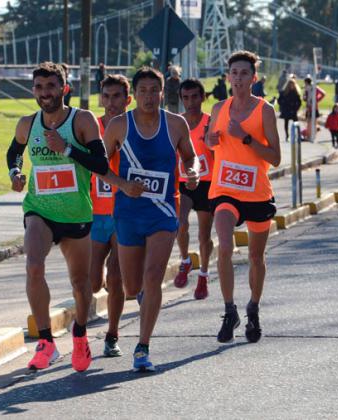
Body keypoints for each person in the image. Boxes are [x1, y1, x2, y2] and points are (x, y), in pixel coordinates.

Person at [6, 61, 141, 372]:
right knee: (34, 265)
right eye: (39, 87)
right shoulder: (28, 123)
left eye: (51, 86)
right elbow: (13, 152)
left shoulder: (81, 120)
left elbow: (99, 161)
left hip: (77, 212)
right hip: (39, 208)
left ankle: (80, 335)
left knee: (82, 284)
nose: (44, 93)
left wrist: (66, 148)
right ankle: (46, 342)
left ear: (64, 88)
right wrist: (15, 171)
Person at [101, 66, 199, 372]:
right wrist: (123, 185)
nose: (148, 97)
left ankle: (142, 347)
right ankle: (143, 295)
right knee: (132, 286)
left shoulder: (175, 124)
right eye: (142, 91)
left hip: (164, 211)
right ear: (135, 95)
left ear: (161, 93)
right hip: (128, 213)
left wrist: (192, 171)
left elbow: (189, 156)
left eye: (153, 91)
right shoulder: (118, 126)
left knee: (154, 276)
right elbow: (100, 167)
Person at [205, 50, 281, 345]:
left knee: (255, 257)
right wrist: (211, 141)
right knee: (224, 246)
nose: (238, 78)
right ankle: (229, 310)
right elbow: (214, 144)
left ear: (254, 78)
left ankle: (253, 307)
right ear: (228, 76)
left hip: (257, 193)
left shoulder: (265, 111)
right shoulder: (218, 108)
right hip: (225, 189)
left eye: (244, 73)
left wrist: (246, 138)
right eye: (234, 72)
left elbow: (275, 158)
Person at [89, 74, 132, 358]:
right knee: (92, 283)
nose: (112, 102)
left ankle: (112, 334)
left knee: (116, 277)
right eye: (107, 96)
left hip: (123, 213)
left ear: (128, 99)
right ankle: (108, 281)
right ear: (101, 98)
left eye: (118, 96)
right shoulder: (90, 127)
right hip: (92, 214)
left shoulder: (136, 128)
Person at [173, 78, 215, 300]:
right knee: (180, 223)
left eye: (195, 97)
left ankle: (204, 274)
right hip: (183, 181)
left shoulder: (211, 122)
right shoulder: (176, 123)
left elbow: (219, 153)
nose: (190, 102)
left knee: (204, 234)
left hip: (207, 184)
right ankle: (185, 260)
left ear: (203, 97)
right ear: (181, 99)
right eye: (186, 97)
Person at [277, 77, 302, 142]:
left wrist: (296, 108)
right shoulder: (284, 92)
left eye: (293, 84)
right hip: (287, 110)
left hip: (293, 110)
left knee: (296, 123)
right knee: (286, 123)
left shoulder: (296, 93)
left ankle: (296, 135)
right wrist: (283, 106)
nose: (291, 86)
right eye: (290, 84)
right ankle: (287, 135)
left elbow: (299, 102)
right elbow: (279, 100)